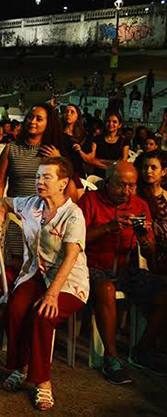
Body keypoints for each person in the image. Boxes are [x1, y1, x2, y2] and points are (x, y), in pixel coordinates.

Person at [0, 157, 89, 411]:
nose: (39, 182)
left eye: (46, 177)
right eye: (37, 177)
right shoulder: (32, 204)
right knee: (16, 309)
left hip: (68, 279)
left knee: (43, 314)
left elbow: (71, 257)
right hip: (35, 274)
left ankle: (43, 383)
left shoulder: (73, 215)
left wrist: (52, 294)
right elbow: (5, 201)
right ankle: (21, 367)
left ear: (63, 183)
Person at [78, 162, 167, 383]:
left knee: (165, 293)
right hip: (93, 266)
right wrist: (107, 227)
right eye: (120, 185)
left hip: (128, 268)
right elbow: (74, 239)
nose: (126, 192)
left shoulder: (139, 205)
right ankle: (111, 356)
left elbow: (150, 255)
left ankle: (141, 351)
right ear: (107, 183)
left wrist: (145, 239)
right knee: (106, 288)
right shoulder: (90, 201)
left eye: (131, 186)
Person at [0, 104, 77, 259]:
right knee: (16, 262)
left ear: (48, 124)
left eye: (39, 119)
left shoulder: (52, 152)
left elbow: (69, 190)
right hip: (15, 215)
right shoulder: (11, 149)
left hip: (43, 218)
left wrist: (59, 159)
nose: (33, 121)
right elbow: (0, 183)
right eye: (30, 117)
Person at [137, 150, 167, 275]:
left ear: (164, 171)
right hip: (147, 246)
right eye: (145, 167)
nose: (148, 171)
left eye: (153, 167)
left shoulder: (165, 195)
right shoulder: (136, 196)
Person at [88, 111, 129, 178]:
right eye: (108, 121)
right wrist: (112, 163)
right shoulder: (97, 139)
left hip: (115, 175)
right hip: (97, 174)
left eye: (114, 122)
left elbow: (123, 161)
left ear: (120, 125)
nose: (110, 124)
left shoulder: (124, 141)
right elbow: (92, 159)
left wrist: (101, 161)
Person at [62, 104, 92, 181]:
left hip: (77, 172)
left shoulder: (83, 136)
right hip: (61, 171)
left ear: (77, 116)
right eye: (66, 111)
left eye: (72, 112)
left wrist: (80, 150)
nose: (68, 114)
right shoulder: (58, 134)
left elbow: (89, 158)